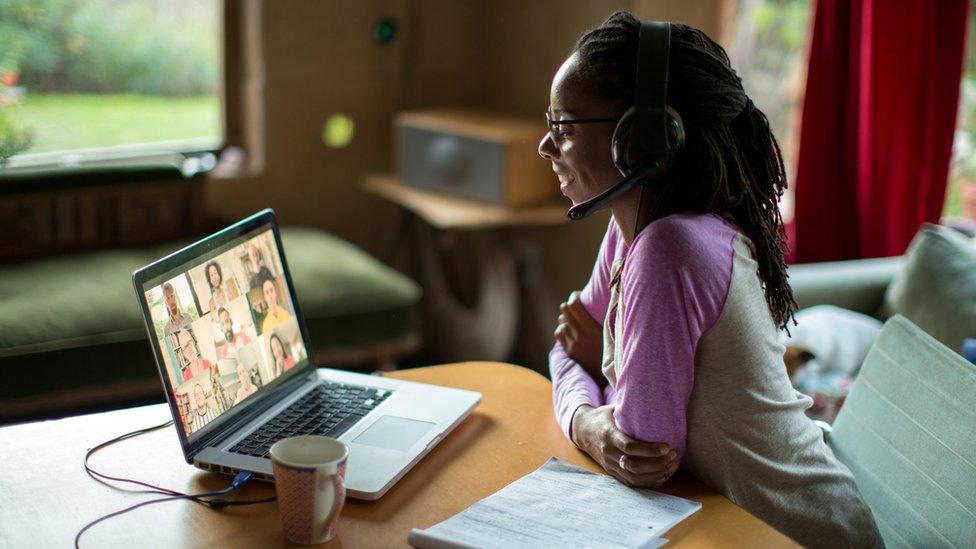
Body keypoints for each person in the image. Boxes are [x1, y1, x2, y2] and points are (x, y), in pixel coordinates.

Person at [542, 13, 878, 547]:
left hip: (792, 532)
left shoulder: (669, 247)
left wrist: (589, 404)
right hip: (723, 520)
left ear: (641, 137)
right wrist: (589, 414)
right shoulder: (631, 226)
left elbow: (642, 450)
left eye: (563, 128)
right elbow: (564, 349)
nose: (546, 147)